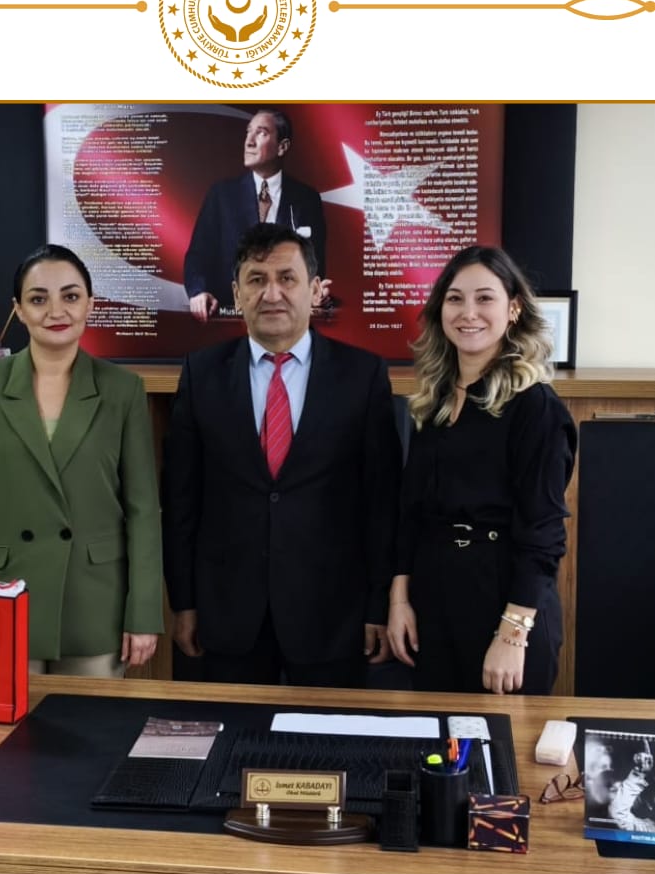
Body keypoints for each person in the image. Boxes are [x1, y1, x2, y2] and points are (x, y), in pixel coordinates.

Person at [162, 224, 401, 687]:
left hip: (334, 615)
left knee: (329, 732)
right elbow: (181, 502)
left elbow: (381, 503)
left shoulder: (363, 375)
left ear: (315, 290)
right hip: (228, 615)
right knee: (231, 733)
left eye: (287, 278)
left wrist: (378, 604)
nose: (272, 293)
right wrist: (184, 603)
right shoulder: (201, 374)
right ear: (237, 294)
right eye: (256, 280)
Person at [0, 245, 160, 676]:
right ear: (18, 310)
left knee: (89, 721)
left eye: (70, 296)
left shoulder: (123, 389)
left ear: (90, 304)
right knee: (5, 722)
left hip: (94, 601)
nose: (56, 311)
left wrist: (144, 612)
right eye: (38, 299)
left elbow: (143, 511)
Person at [387, 245, 577, 695]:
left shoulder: (536, 407)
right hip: (433, 602)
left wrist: (512, 634)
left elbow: (543, 532)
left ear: (514, 309)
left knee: (503, 738)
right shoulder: (434, 400)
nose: (468, 312)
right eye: (455, 299)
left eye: (485, 298)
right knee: (438, 736)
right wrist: (399, 599)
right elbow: (410, 511)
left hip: (505, 603)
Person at [183, 109, 329, 321]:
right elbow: (197, 257)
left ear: (282, 147)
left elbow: (315, 266)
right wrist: (198, 292)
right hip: (230, 321)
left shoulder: (307, 199)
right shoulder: (221, 195)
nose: (249, 142)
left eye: (261, 133)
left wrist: (316, 293)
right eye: (248, 132)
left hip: (284, 320)